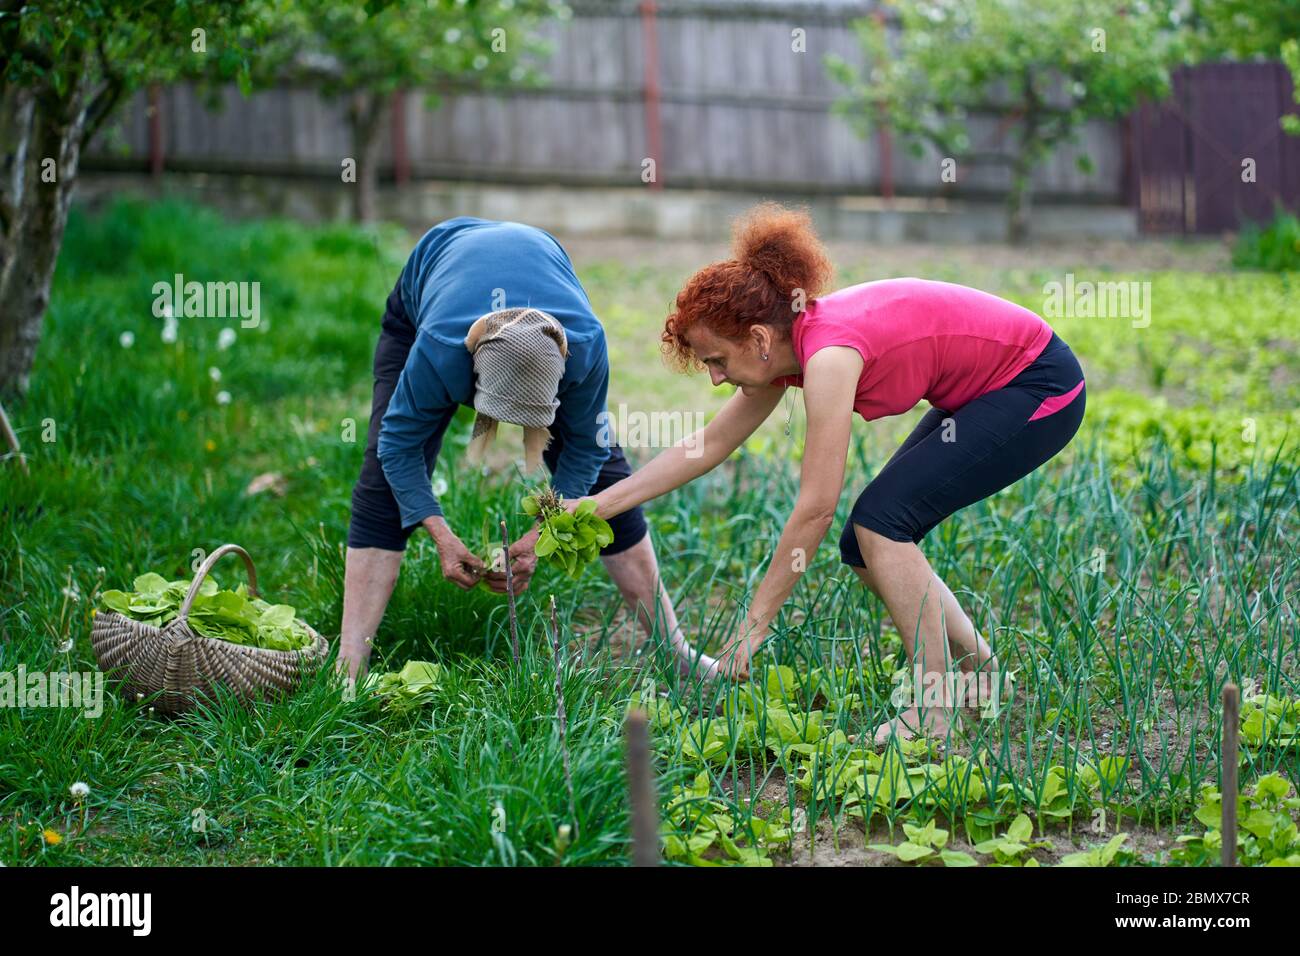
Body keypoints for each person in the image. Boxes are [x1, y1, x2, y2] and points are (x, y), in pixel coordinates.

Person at [579, 203, 1087, 743]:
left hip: (1040, 387)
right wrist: (594, 507)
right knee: (864, 540)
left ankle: (934, 712)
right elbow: (708, 445)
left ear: (757, 339)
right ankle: (980, 671)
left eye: (717, 360)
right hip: (989, 392)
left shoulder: (829, 356)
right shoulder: (786, 349)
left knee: (882, 525)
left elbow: (816, 506)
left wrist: (754, 625)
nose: (714, 378)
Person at [338, 216, 701, 682]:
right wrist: (441, 536)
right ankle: (347, 671)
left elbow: (587, 449)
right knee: (383, 483)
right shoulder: (438, 350)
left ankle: (676, 652)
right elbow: (397, 445)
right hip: (430, 288)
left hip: (535, 264)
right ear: (469, 376)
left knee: (609, 483)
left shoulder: (584, 347)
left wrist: (538, 537)